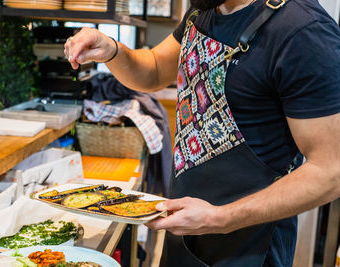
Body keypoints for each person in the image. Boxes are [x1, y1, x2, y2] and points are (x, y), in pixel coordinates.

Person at [64, 0, 340, 265]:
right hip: (186, 233)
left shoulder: (303, 30)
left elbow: (330, 171)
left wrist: (218, 218)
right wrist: (111, 50)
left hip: (248, 249)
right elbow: (155, 69)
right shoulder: (205, 10)